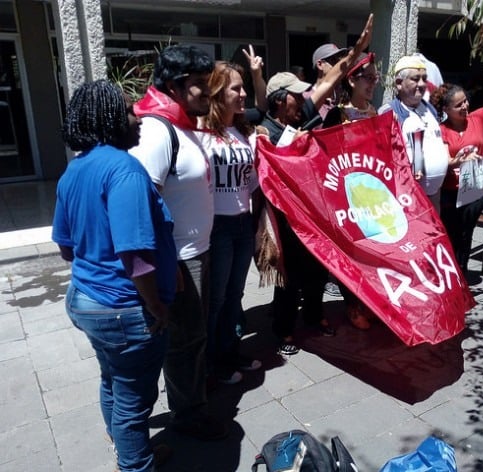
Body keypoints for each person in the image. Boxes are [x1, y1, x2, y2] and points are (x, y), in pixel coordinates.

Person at [52, 80, 177, 472]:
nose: (137, 115)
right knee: (134, 400)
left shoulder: (74, 170)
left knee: (112, 377)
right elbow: (135, 255)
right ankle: (135, 463)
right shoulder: (125, 170)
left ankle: (122, 445)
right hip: (125, 309)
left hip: (86, 300)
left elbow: (66, 246)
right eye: (126, 110)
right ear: (107, 119)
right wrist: (155, 306)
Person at [259, 14, 373, 355]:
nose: (303, 98)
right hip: (286, 219)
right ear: (280, 100)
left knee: (319, 269)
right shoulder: (266, 131)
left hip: (317, 212)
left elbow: (333, 78)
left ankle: (314, 315)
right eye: (294, 95)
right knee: (289, 277)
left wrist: (359, 50)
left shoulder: (303, 112)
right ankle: (284, 330)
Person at [130, 44, 227, 441]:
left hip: (197, 252)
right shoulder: (157, 131)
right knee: (184, 341)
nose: (209, 94)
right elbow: (142, 205)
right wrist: (167, 267)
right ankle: (188, 417)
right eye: (200, 86)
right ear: (172, 86)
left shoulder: (184, 124)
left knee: (192, 337)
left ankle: (190, 398)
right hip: (180, 260)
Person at [200, 61, 262, 385]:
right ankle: (211, 364)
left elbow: (251, 183)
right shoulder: (200, 135)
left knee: (236, 294)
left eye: (243, 87)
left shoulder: (243, 133)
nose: (243, 94)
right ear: (216, 94)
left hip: (243, 224)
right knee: (217, 299)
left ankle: (229, 350)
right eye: (235, 88)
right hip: (217, 228)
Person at [430, 65, 483, 275]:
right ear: (446, 110)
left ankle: (460, 273)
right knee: (451, 233)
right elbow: (445, 161)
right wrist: (458, 161)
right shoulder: (440, 131)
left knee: (466, 233)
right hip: (451, 190)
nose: (465, 106)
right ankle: (448, 274)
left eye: (465, 100)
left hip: (475, 188)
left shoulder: (478, 118)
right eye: (458, 105)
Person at [322, 52, 379, 330]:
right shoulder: (337, 115)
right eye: (367, 78)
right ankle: (352, 305)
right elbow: (325, 158)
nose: (373, 84)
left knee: (371, 252)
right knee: (351, 255)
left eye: (375, 78)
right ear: (352, 80)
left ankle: (371, 301)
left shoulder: (374, 112)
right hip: (346, 197)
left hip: (372, 195)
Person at [379, 55, 450, 212]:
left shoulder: (429, 108)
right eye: (415, 79)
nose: (422, 84)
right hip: (407, 196)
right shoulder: (389, 112)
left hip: (434, 194)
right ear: (399, 83)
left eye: (424, 78)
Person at [308, 43, 350, 119]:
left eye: (339, 61)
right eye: (333, 60)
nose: (338, 65)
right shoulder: (307, 98)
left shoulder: (341, 96)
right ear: (320, 64)